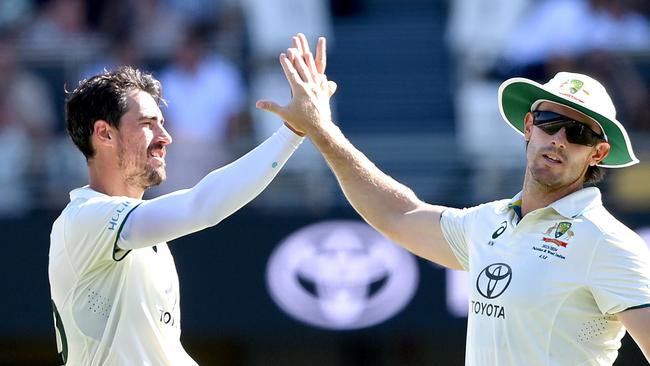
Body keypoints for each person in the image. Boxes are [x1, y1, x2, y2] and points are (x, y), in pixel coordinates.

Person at [257, 34, 650, 365]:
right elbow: (398, 213)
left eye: (579, 133)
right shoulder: (489, 222)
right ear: (529, 126)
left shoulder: (608, 242)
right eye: (551, 122)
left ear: (597, 154)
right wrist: (323, 131)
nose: (559, 139)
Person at [48, 66, 303, 365]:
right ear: (104, 133)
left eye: (162, 123)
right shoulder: (84, 218)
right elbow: (202, 205)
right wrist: (292, 133)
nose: (165, 137)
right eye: (147, 123)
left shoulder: (146, 242)